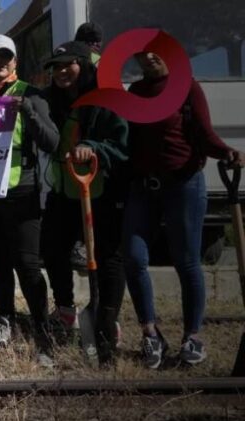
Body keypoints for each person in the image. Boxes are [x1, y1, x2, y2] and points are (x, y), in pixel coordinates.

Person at [123, 49, 243, 368]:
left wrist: (226, 152)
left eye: (156, 50)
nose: (149, 56)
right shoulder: (134, 92)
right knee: (133, 258)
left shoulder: (187, 87)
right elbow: (127, 140)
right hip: (143, 187)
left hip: (184, 184)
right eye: (142, 53)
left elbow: (204, 134)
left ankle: (193, 336)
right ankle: (150, 334)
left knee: (186, 261)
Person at [0, 35, 58, 365]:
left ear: (15, 63)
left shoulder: (30, 95)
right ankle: (5, 319)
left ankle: (41, 327)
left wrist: (29, 113)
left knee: (28, 265)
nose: (1, 63)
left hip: (22, 191)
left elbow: (52, 141)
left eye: (7, 58)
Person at [41, 41, 128, 366]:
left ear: (84, 64)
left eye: (68, 65)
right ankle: (66, 309)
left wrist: (92, 148)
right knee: (51, 249)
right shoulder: (52, 99)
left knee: (107, 258)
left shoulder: (105, 97)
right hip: (65, 191)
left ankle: (107, 320)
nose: (62, 72)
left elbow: (121, 144)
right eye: (56, 67)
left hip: (100, 193)